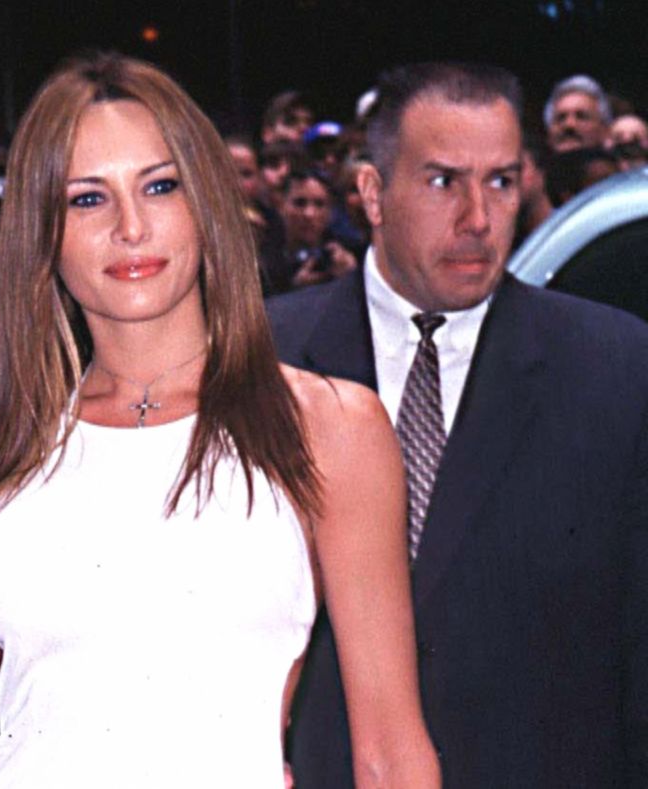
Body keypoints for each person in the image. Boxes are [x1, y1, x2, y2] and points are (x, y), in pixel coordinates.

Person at [0, 52, 437, 787]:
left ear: (205, 204)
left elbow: (390, 756)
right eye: (87, 199)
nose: (131, 227)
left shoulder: (327, 427)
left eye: (160, 186)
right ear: (41, 231)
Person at [272, 61, 648, 788]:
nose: (478, 218)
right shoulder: (264, 360)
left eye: (501, 182)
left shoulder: (616, 368)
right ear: (373, 194)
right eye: (444, 181)